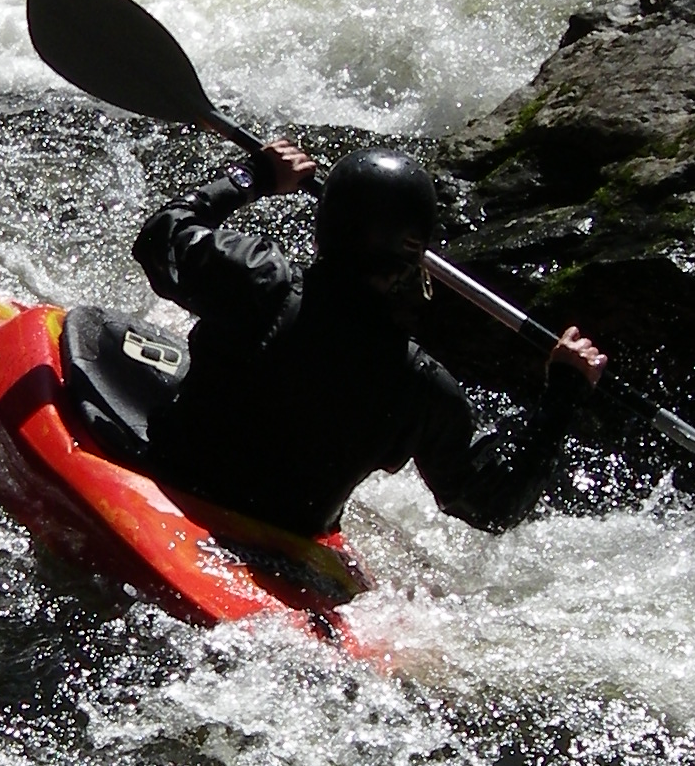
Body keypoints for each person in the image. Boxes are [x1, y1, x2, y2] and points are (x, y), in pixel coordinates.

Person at [130, 140, 606, 538]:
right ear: (412, 263)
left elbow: (160, 237)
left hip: (175, 480)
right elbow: (493, 506)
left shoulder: (255, 277)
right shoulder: (422, 385)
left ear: (323, 227)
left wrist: (252, 176)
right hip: (286, 533)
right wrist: (563, 394)